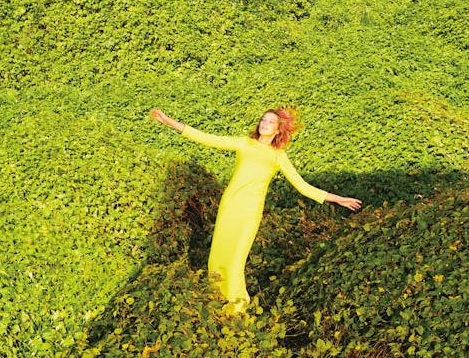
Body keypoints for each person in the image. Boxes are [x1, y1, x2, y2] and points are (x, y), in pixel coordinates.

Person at [150, 107, 361, 310]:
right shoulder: (244, 144)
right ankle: (215, 300)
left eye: (271, 122)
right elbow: (208, 138)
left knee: (235, 259)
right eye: (263, 120)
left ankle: (237, 306)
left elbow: (302, 186)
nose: (265, 124)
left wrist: (337, 199)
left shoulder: (278, 156)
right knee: (217, 256)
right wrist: (168, 121)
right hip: (230, 205)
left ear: (278, 130)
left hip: (250, 211)